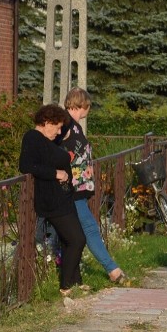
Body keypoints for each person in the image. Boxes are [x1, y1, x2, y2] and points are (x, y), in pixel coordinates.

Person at [58, 87, 126, 284]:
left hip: (78, 188)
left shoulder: (74, 125)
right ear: (82, 105)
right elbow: (54, 148)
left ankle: (72, 278)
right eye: (88, 107)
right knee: (89, 228)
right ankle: (112, 269)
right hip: (72, 189)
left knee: (76, 234)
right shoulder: (66, 124)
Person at [19, 104, 87, 296]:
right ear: (46, 122)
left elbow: (64, 129)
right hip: (52, 200)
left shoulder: (48, 140)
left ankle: (75, 280)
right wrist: (55, 173)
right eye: (56, 127)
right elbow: (25, 166)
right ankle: (65, 286)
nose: (59, 132)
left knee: (69, 240)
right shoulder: (32, 137)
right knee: (77, 239)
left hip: (64, 196)